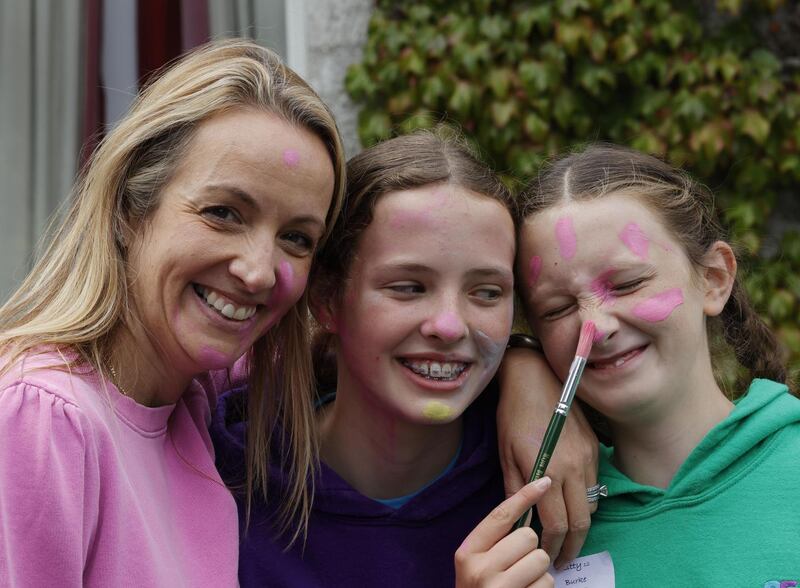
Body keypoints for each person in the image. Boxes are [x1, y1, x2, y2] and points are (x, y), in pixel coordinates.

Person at [0, 39, 346, 586]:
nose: (258, 272)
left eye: (297, 238)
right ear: (128, 208)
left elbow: (363, 358)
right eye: (224, 212)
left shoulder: (196, 389)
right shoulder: (42, 419)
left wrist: (520, 369)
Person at [212, 130, 554, 587]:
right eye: (408, 287)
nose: (450, 325)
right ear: (328, 298)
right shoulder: (219, 481)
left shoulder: (547, 483)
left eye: (487, 292)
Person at [510, 143, 799, 583]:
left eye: (626, 284)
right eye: (556, 309)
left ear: (714, 279)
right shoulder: (535, 521)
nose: (595, 326)